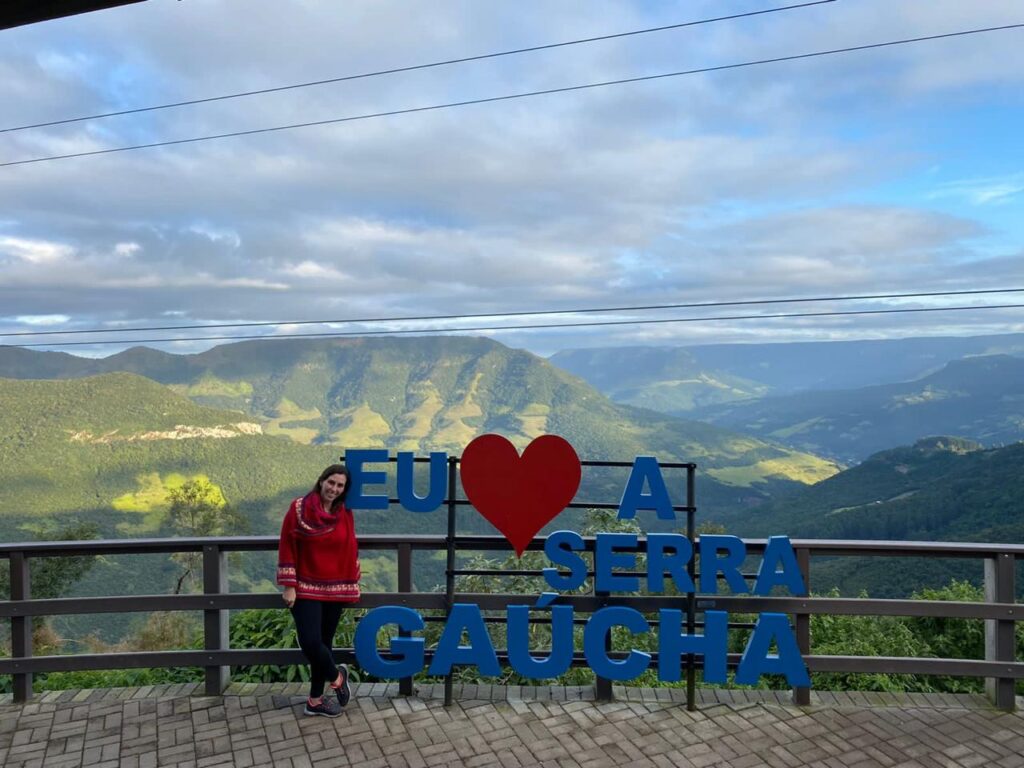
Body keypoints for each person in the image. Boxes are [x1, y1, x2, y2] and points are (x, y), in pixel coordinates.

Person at [277, 463, 360, 717]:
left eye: (340, 485)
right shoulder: (299, 509)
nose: (333, 489)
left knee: (324, 644)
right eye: (331, 482)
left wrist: (351, 583)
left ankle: (314, 701)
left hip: (335, 588)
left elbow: (350, 547)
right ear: (321, 480)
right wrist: (289, 585)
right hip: (305, 588)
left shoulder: (344, 513)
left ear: (344, 490)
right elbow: (287, 544)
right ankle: (338, 677)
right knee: (311, 642)